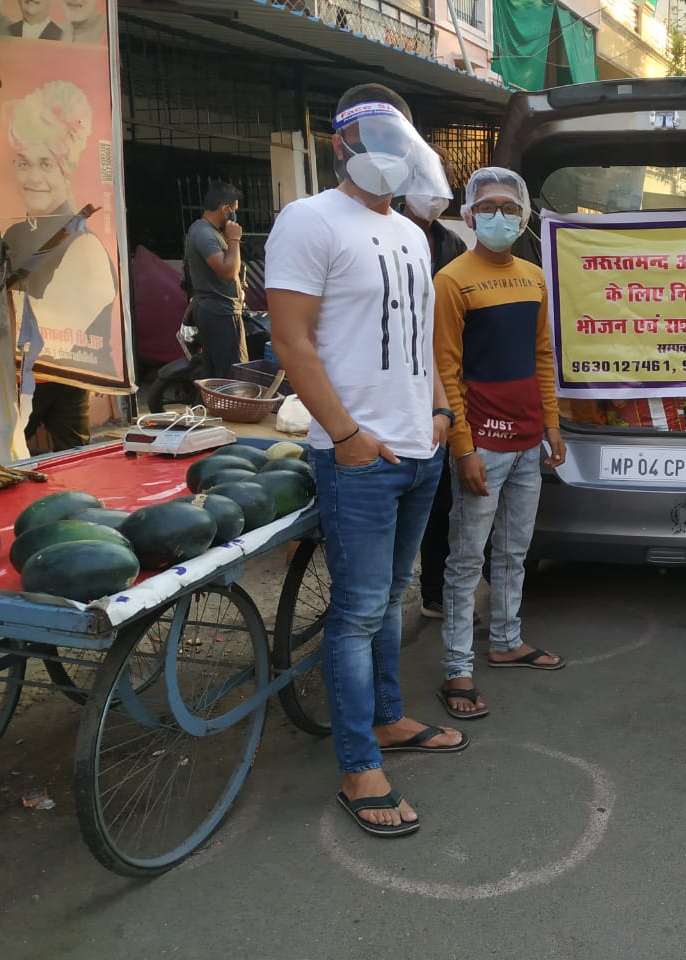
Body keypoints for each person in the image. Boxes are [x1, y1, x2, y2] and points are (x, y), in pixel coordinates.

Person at [265, 82, 464, 839]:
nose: (383, 153)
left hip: (420, 448)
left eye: (397, 139)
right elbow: (292, 341)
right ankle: (357, 767)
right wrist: (346, 435)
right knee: (354, 613)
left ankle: (385, 719)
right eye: (368, 137)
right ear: (339, 144)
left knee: (390, 598)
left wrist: (442, 410)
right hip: (359, 458)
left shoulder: (415, 233)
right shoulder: (308, 220)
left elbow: (420, 342)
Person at [433, 166, 567, 720]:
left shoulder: (534, 277)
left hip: (529, 440)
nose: (499, 216)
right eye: (488, 207)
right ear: (468, 215)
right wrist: (462, 447)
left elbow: (541, 356)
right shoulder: (451, 281)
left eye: (510, 208)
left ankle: (507, 640)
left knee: (514, 552)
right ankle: (457, 670)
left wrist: (552, 424)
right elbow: (445, 368)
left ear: (524, 215)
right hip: (481, 445)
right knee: (466, 562)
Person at [3, 81, 117, 438]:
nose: (33, 177)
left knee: (63, 460)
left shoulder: (84, 246)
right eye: (23, 162)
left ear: (65, 171)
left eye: (45, 164)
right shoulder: (14, 234)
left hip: (59, 372)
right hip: (27, 373)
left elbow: (60, 323)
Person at [397, 158, 469, 620]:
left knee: (444, 496)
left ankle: (436, 590)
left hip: (444, 381)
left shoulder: (450, 241)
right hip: (399, 382)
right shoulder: (387, 234)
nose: (433, 195)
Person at [184, 183, 247, 381]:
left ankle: (217, 412)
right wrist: (235, 239)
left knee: (217, 377)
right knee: (234, 379)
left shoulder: (207, 231)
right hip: (221, 312)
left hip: (217, 310)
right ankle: (231, 413)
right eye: (234, 210)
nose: (234, 215)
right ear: (225, 209)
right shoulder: (204, 233)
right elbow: (228, 271)